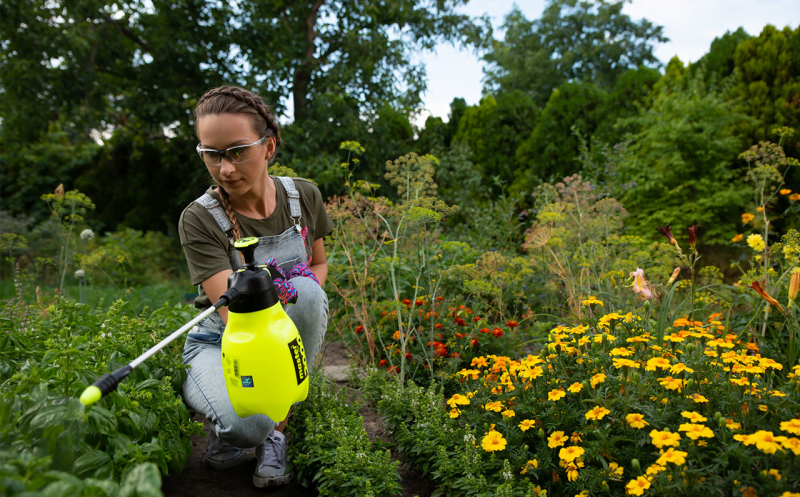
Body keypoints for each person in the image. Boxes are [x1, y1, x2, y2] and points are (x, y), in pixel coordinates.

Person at [177, 85, 332, 488]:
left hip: (281, 332)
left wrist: (299, 305)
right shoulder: (199, 218)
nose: (225, 168)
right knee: (246, 426)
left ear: (268, 147)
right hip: (224, 340)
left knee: (311, 293)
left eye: (237, 151)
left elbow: (317, 263)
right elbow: (233, 319)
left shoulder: (304, 197)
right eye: (212, 154)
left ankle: (276, 433)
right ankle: (228, 423)